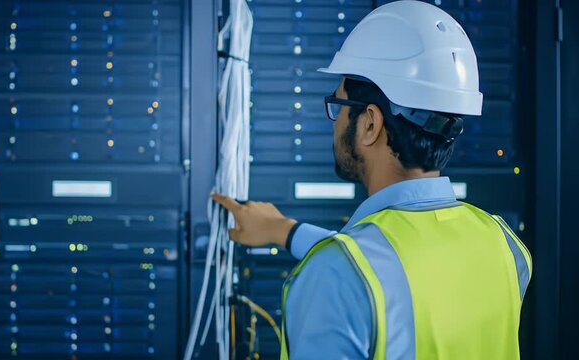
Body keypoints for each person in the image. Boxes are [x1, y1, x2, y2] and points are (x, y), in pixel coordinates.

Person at [212, 1, 532, 359]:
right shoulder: (503, 244)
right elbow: (399, 278)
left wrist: (319, 255)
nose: (334, 123)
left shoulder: (334, 276)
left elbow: (367, 276)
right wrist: (284, 230)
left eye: (338, 105)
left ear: (369, 124)